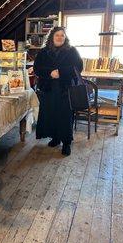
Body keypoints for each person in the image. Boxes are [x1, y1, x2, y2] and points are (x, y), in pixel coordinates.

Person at [33, 27, 83, 156]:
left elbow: (78, 67)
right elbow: (37, 68)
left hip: (65, 88)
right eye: (57, 35)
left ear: (65, 37)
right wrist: (50, 73)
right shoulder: (43, 52)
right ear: (52, 37)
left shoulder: (72, 51)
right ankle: (55, 137)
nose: (60, 37)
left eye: (62, 35)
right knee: (51, 114)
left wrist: (61, 72)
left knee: (65, 116)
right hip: (48, 88)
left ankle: (66, 142)